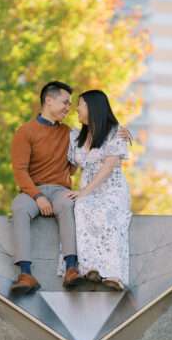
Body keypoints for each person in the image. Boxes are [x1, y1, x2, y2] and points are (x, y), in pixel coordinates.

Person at [10, 81, 130, 294]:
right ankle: (25, 273)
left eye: (73, 104)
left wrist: (122, 130)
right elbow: (19, 171)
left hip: (60, 190)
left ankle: (72, 269)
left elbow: (94, 140)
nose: (69, 108)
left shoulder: (69, 133)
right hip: (32, 191)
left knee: (69, 205)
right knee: (19, 208)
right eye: (65, 103)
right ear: (48, 100)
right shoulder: (25, 131)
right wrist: (37, 196)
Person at [65, 90, 131, 291]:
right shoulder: (76, 136)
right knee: (82, 208)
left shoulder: (115, 132)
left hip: (112, 188)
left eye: (81, 104)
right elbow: (71, 167)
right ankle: (90, 268)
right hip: (87, 189)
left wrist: (85, 191)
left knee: (106, 212)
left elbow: (109, 166)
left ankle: (114, 274)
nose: (77, 108)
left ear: (93, 108)